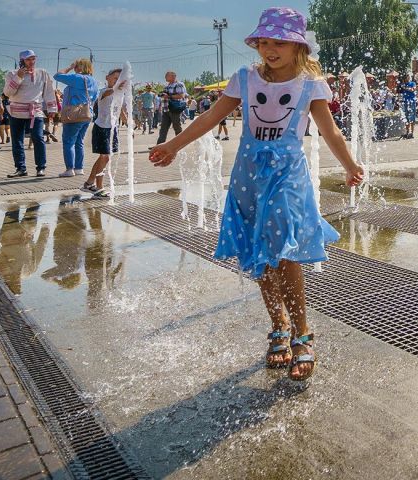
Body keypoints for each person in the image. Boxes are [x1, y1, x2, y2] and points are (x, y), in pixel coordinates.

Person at [150, 7, 364, 381]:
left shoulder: (311, 84)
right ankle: (278, 325)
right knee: (259, 253)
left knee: (284, 251)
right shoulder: (245, 79)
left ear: (298, 46)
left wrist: (349, 165)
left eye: (278, 41)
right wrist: (173, 145)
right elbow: (209, 118)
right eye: (264, 41)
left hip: (287, 176)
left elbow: (330, 131)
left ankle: (302, 334)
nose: (269, 48)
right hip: (248, 176)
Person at [3, 49, 57, 177]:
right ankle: (21, 168)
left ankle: (41, 167)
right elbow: (7, 93)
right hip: (16, 111)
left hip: (35, 111)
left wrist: (52, 109)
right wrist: (18, 77)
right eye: (28, 59)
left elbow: (49, 91)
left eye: (33, 59)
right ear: (21, 61)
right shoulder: (12, 74)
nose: (31, 62)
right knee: (17, 140)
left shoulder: (42, 73)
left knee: (38, 137)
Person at [54, 58, 99, 177]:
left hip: (73, 115)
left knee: (68, 141)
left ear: (80, 67)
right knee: (79, 142)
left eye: (76, 66)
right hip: (87, 115)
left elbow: (57, 76)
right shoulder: (94, 81)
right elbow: (94, 98)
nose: (74, 68)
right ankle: (79, 168)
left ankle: (69, 169)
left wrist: (68, 67)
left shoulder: (77, 78)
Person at [82, 68, 122, 196]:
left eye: (120, 79)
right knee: (105, 157)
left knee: (104, 158)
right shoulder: (103, 92)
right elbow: (108, 93)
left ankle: (89, 183)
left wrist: (128, 123)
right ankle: (99, 187)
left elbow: (120, 109)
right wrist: (117, 87)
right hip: (102, 128)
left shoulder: (119, 93)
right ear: (107, 78)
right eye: (115, 78)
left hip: (112, 128)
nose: (117, 81)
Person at [156, 71, 186, 144]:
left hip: (174, 109)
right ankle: (159, 145)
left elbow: (181, 96)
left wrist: (169, 96)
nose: (165, 77)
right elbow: (165, 95)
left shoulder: (179, 84)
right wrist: (162, 94)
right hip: (166, 109)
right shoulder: (168, 85)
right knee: (163, 128)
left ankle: (180, 143)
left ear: (173, 76)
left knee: (177, 127)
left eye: (167, 75)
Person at [400, 73, 416, 139]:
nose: (408, 78)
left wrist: (405, 88)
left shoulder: (412, 83)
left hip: (412, 102)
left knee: (412, 117)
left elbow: (413, 89)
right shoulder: (403, 84)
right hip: (405, 102)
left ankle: (411, 133)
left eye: (408, 77)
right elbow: (400, 92)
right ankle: (407, 132)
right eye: (406, 77)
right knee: (406, 118)